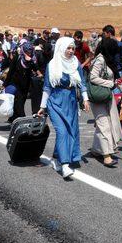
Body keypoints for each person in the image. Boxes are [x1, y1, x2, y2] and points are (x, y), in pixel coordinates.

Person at [37, 37, 90, 179]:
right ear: (61, 48)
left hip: (71, 101)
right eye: (68, 48)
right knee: (62, 131)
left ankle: (56, 158)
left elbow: (82, 83)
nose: (71, 51)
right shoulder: (52, 65)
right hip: (55, 101)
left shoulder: (75, 63)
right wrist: (42, 106)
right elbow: (47, 87)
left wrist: (85, 98)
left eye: (73, 48)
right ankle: (65, 165)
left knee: (71, 130)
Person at [88, 38, 122, 168]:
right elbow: (93, 77)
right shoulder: (100, 60)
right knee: (104, 124)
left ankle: (96, 149)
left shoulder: (109, 60)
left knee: (106, 124)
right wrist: (110, 84)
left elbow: (113, 79)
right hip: (98, 97)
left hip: (107, 96)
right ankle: (107, 156)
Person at [4, 41, 38, 123]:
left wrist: (30, 61)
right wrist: (5, 83)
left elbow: (36, 69)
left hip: (25, 84)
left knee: (22, 101)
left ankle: (13, 118)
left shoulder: (32, 58)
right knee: (18, 102)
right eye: (27, 51)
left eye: (30, 51)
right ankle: (23, 118)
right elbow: (11, 71)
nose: (28, 53)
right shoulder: (17, 58)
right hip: (15, 83)